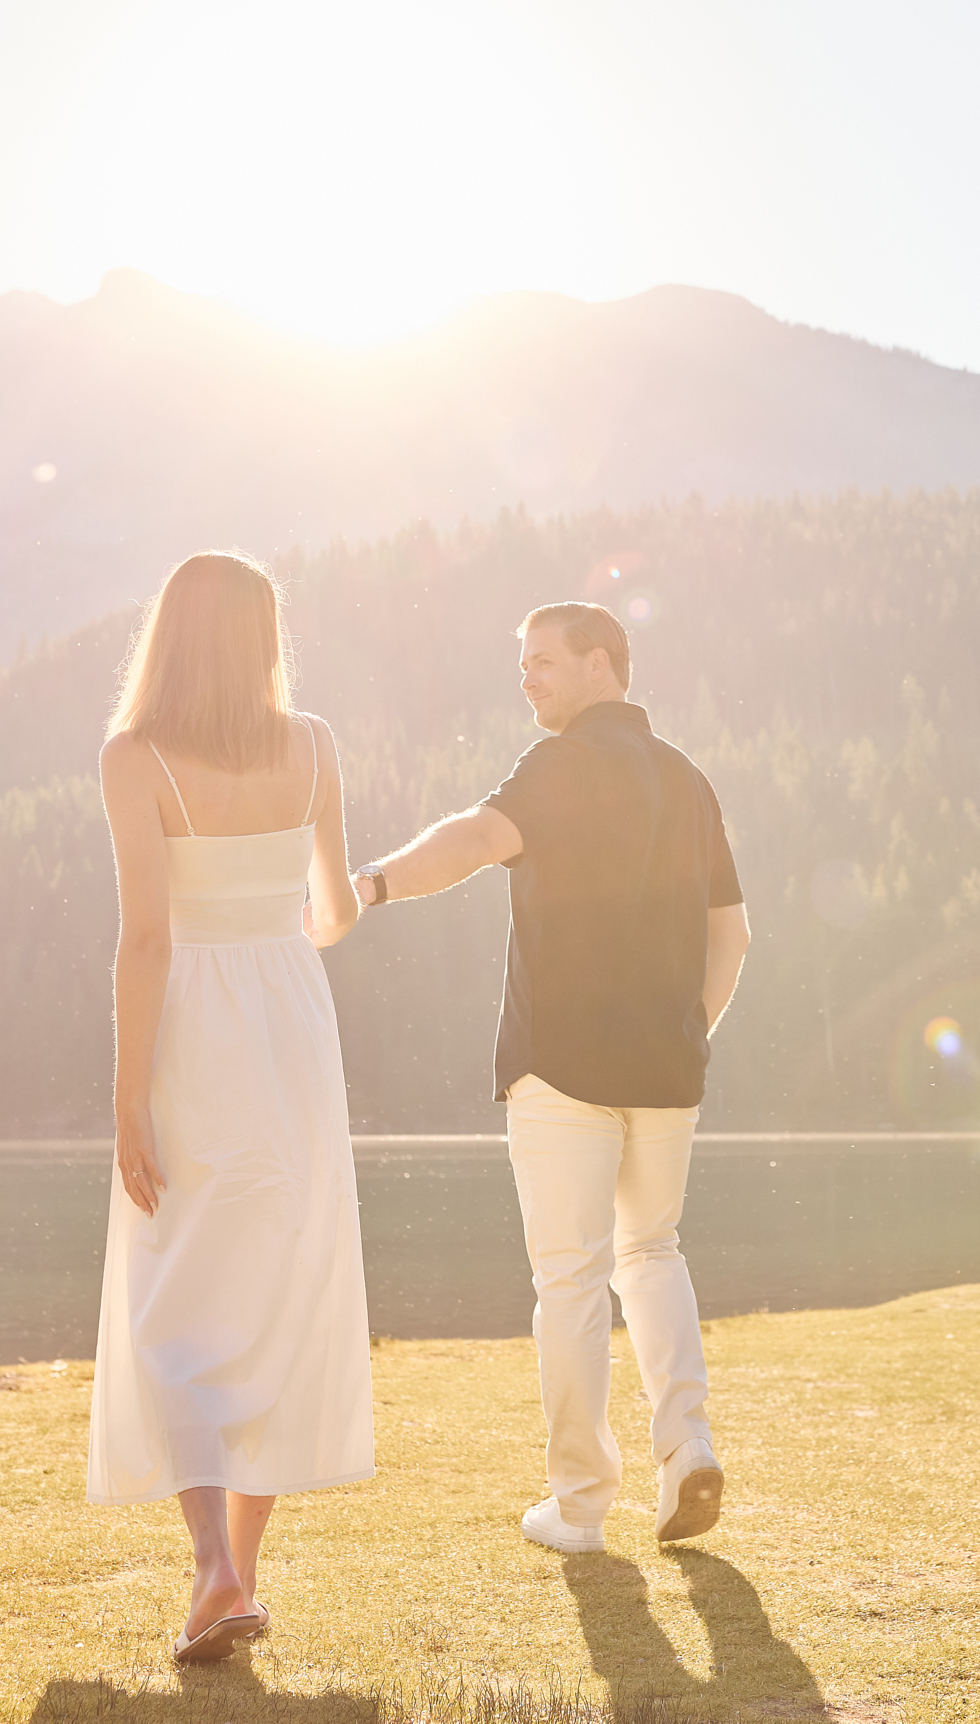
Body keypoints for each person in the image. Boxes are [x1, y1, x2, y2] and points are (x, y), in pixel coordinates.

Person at [350, 601, 751, 1554]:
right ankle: (685, 1443)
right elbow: (731, 933)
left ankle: (578, 1509)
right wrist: (689, 1029)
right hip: (667, 1068)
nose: (526, 677)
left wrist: (367, 886)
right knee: (651, 1255)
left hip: (564, 1066)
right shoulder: (688, 780)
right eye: (521, 661)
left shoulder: (560, 765)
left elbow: (475, 841)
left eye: (543, 662)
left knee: (569, 1279)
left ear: (602, 664)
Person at [86, 551, 370, 1664]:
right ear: (262, 639)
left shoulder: (133, 755)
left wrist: (126, 1098)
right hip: (292, 1023)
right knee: (277, 1285)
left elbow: (147, 938)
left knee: (173, 1291)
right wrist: (280, 921)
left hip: (194, 1029)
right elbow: (334, 911)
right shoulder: (316, 745)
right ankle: (236, 1575)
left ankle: (213, 1568)